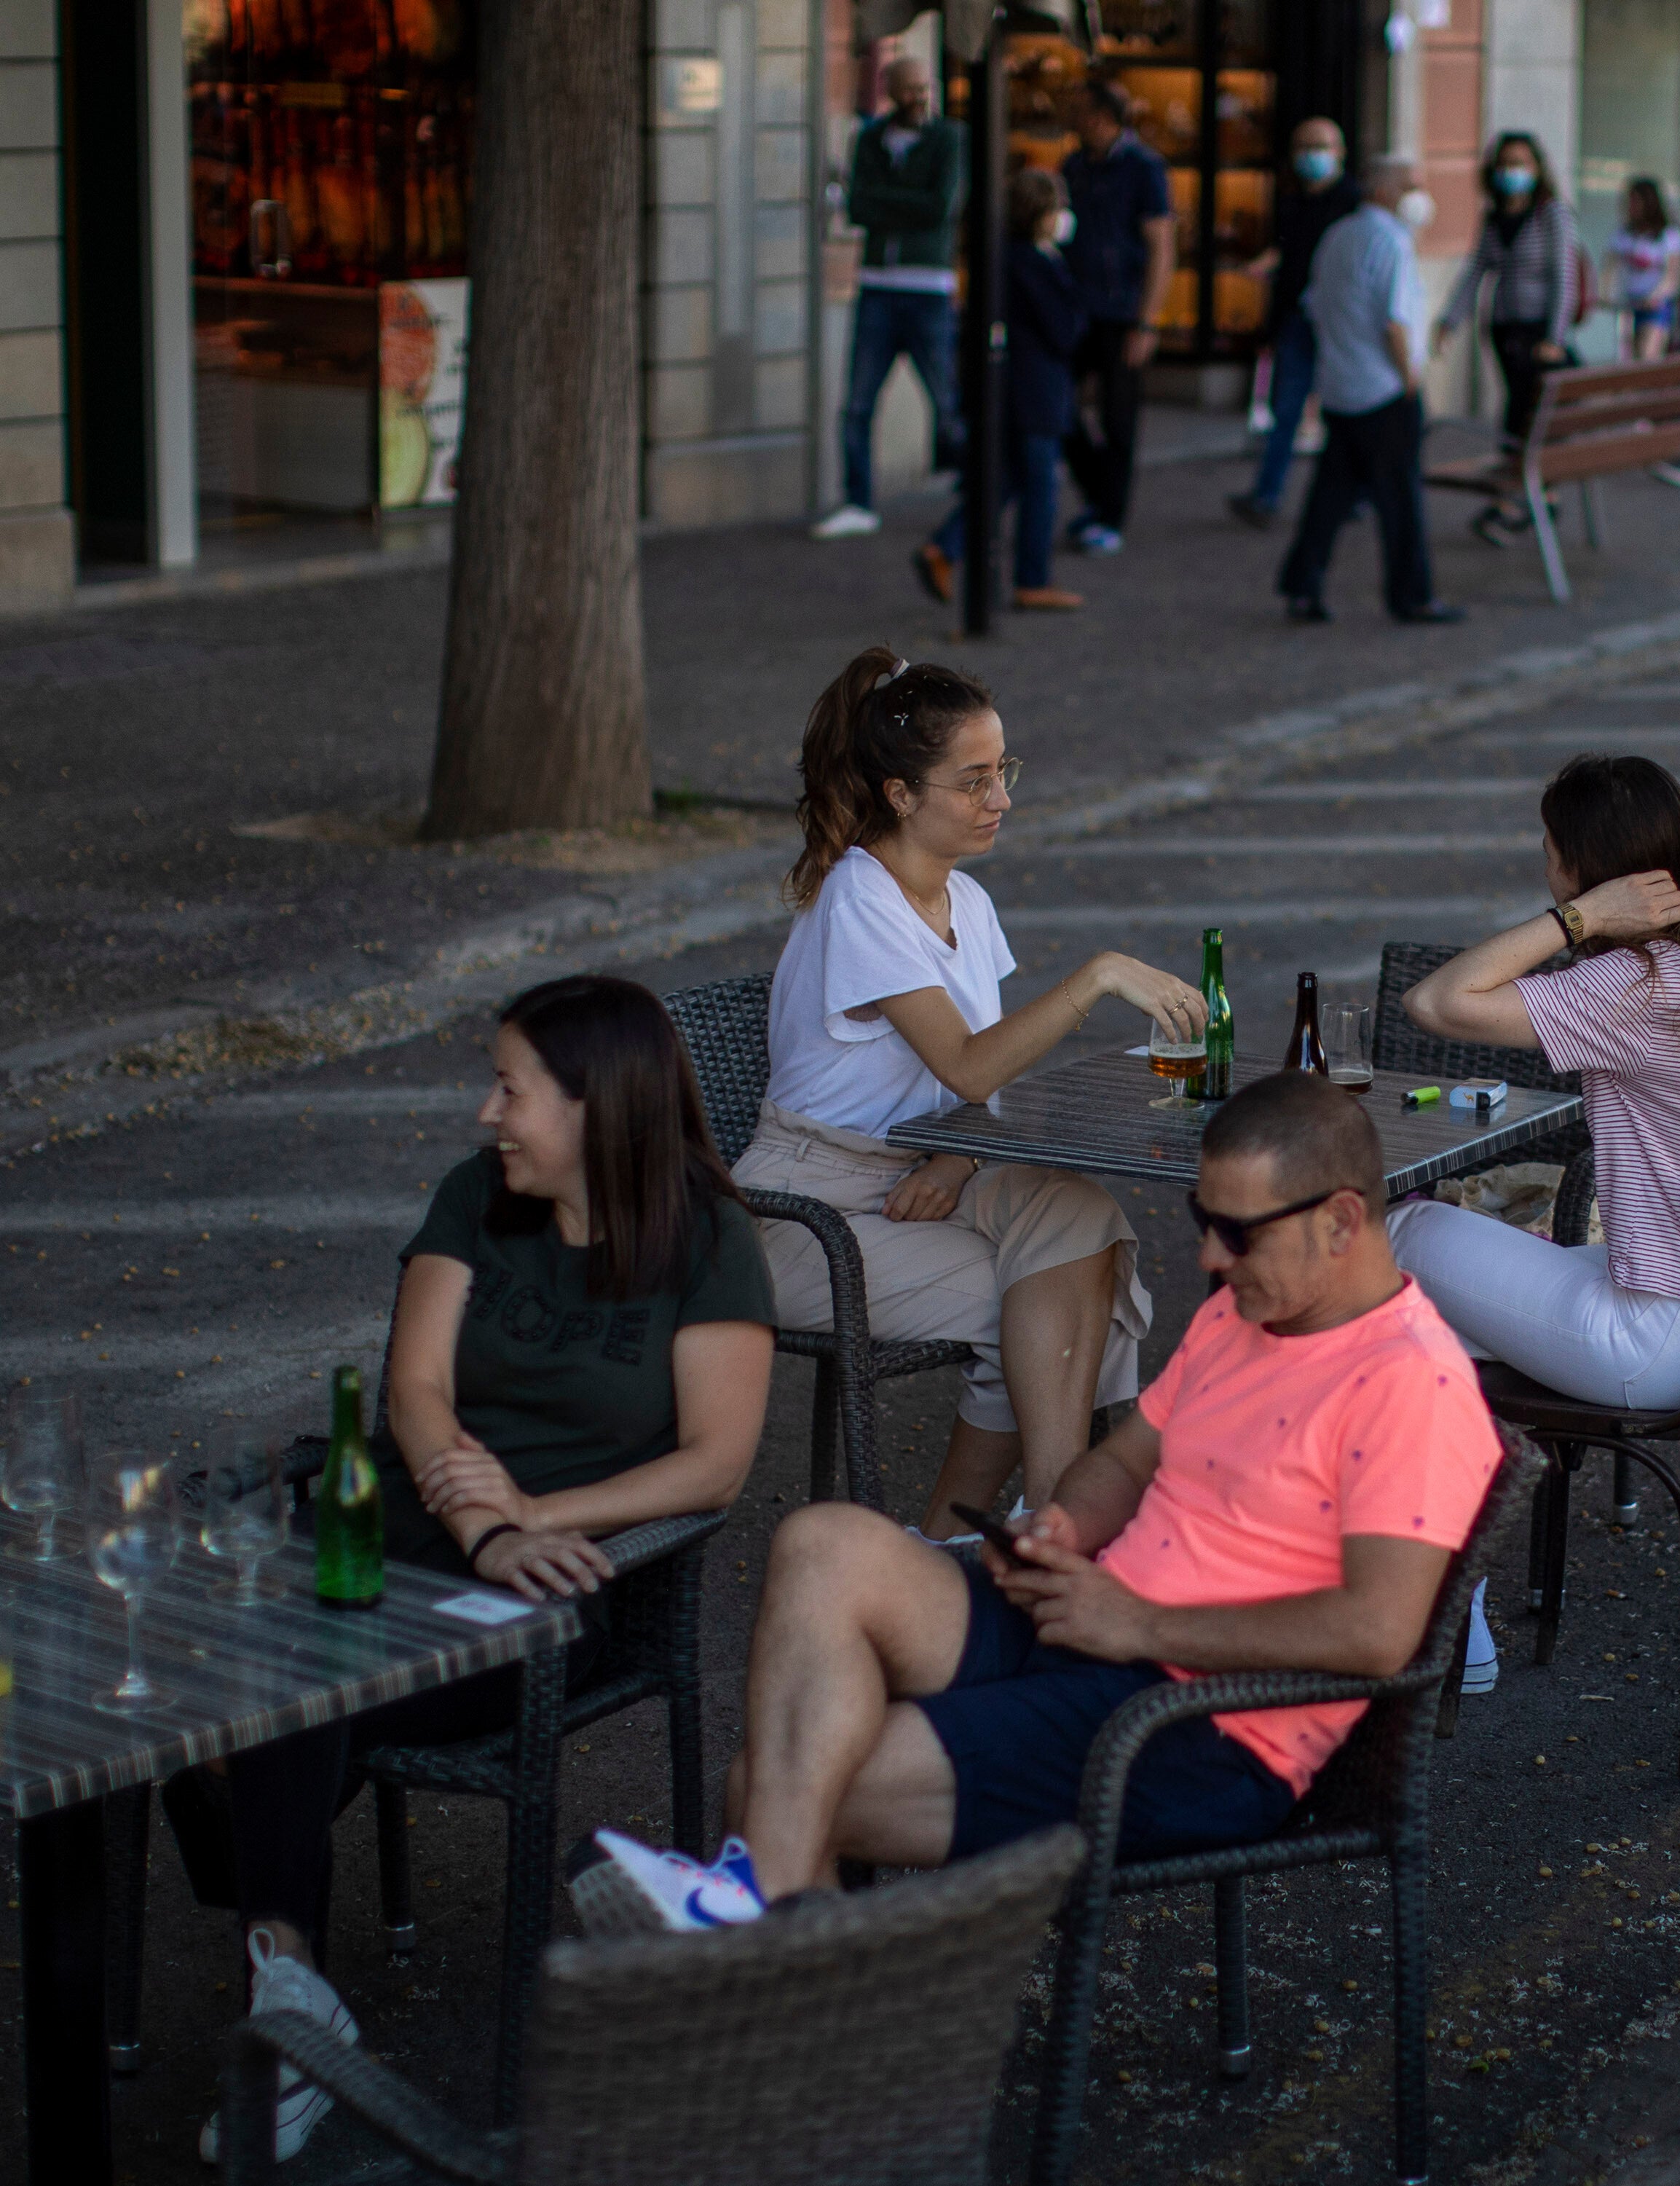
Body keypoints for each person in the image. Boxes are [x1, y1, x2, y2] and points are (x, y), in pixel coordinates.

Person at [573, 1073, 1507, 1925]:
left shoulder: (1410, 1385)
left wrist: (1139, 1623)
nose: (1208, 1260)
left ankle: (748, 1947)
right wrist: (1062, 1524)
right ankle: (757, 1927)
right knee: (826, 1544)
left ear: (1343, 1220)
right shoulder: (1242, 1317)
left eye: (1237, 1231)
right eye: (1200, 1217)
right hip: (1094, 1628)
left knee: (781, 1783)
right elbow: (1127, 1460)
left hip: (1212, 1727)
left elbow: (1378, 1633)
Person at [172, 975, 776, 2158]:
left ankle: (283, 1989)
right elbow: (416, 1390)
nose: (486, 1114)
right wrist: (479, 1517)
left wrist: (540, 1512)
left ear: (598, 1109)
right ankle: (292, 1991)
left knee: (295, 1685)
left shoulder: (707, 1241)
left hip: (550, 1592)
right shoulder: (472, 1201)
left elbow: (714, 1463)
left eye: (512, 1089)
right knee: (212, 1657)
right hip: (404, 1535)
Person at [739, 649, 1207, 1545]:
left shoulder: (965, 899)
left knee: (1078, 1217)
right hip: (806, 1210)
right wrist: (1097, 976)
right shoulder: (858, 901)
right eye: (974, 780)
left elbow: (981, 1078)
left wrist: (958, 1155)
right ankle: (1027, 1534)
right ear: (901, 794)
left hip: (911, 1170)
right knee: (1054, 1299)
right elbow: (966, 1065)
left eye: (1005, 773)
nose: (1001, 800)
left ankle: (1025, 1525)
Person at [1392, 754, 1680, 1406]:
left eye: (1549, 853)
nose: (1545, 871)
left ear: (1584, 870)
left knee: (1401, 1233)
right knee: (1417, 1316)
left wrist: (1581, 917)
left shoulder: (1642, 982)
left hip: (1665, 1341)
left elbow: (1434, 1001)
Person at [1277, 154, 1465, 625]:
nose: (1419, 197)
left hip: (1342, 387)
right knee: (1400, 500)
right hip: (1382, 392)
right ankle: (1412, 595)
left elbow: (1315, 304)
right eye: (1410, 187)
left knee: (1331, 494)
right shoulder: (1390, 242)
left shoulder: (1339, 235)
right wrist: (1409, 380)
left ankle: (1303, 583)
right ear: (1384, 193)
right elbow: (1396, 323)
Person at [912, 168, 1085, 613]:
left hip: (1013, 388)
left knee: (1004, 481)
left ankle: (945, 548)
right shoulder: (1034, 262)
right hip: (1035, 391)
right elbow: (1064, 329)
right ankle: (1032, 579)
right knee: (1039, 485)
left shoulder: (1004, 258)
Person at [814, 55, 966, 540]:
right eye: (910, 90)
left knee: (947, 400)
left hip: (928, 286)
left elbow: (939, 209)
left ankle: (976, 486)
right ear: (890, 91)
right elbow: (857, 207)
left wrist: (885, 202)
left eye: (925, 88)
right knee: (857, 403)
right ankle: (858, 501)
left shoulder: (949, 138)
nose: (920, 98)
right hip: (878, 283)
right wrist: (900, 202)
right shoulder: (871, 139)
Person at [1056, 76, 1176, 557]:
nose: (1072, 119)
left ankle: (1110, 515)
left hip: (1122, 310)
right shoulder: (1074, 166)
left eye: (1080, 111)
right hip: (1077, 307)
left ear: (1101, 118)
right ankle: (1098, 493)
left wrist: (1147, 322)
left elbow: (1161, 248)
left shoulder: (1144, 169)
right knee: (1059, 403)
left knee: (1119, 418)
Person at [1223, 118, 1358, 530]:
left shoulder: (1351, 203)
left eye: (1321, 146)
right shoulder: (1292, 201)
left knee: (1343, 413)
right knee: (1286, 410)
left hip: (1336, 321)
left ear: (1340, 152)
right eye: (1305, 147)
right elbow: (1287, 262)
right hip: (1298, 319)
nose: (1312, 156)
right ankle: (1268, 495)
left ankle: (1348, 496)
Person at [1437, 131, 1580, 452]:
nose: (1511, 171)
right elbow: (1476, 271)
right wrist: (1450, 320)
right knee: (1517, 402)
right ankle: (1519, 492)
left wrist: (1555, 338)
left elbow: (1564, 277)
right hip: (1504, 327)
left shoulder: (1552, 214)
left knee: (1530, 411)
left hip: (1539, 326)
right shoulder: (1493, 218)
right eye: (1505, 164)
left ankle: (1533, 490)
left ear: (1537, 168)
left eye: (1520, 163)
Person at [1612, 175, 1680, 361]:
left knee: (1648, 356)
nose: (1630, 206)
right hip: (1630, 304)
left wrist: (1655, 296)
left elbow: (1673, 277)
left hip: (1656, 306)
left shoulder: (1669, 236)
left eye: (1635, 201)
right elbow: (1610, 267)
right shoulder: (1624, 234)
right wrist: (1606, 294)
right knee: (1629, 358)